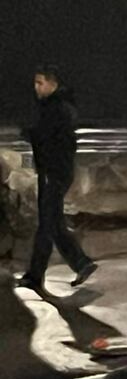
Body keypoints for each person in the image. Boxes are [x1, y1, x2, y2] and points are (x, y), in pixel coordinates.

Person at [16, 65, 97, 292]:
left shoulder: (57, 108)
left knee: (51, 222)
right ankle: (35, 275)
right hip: (53, 171)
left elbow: (48, 138)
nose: (36, 87)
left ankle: (81, 262)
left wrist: (29, 134)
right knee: (46, 223)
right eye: (35, 83)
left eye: (40, 83)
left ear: (53, 84)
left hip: (54, 171)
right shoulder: (57, 106)